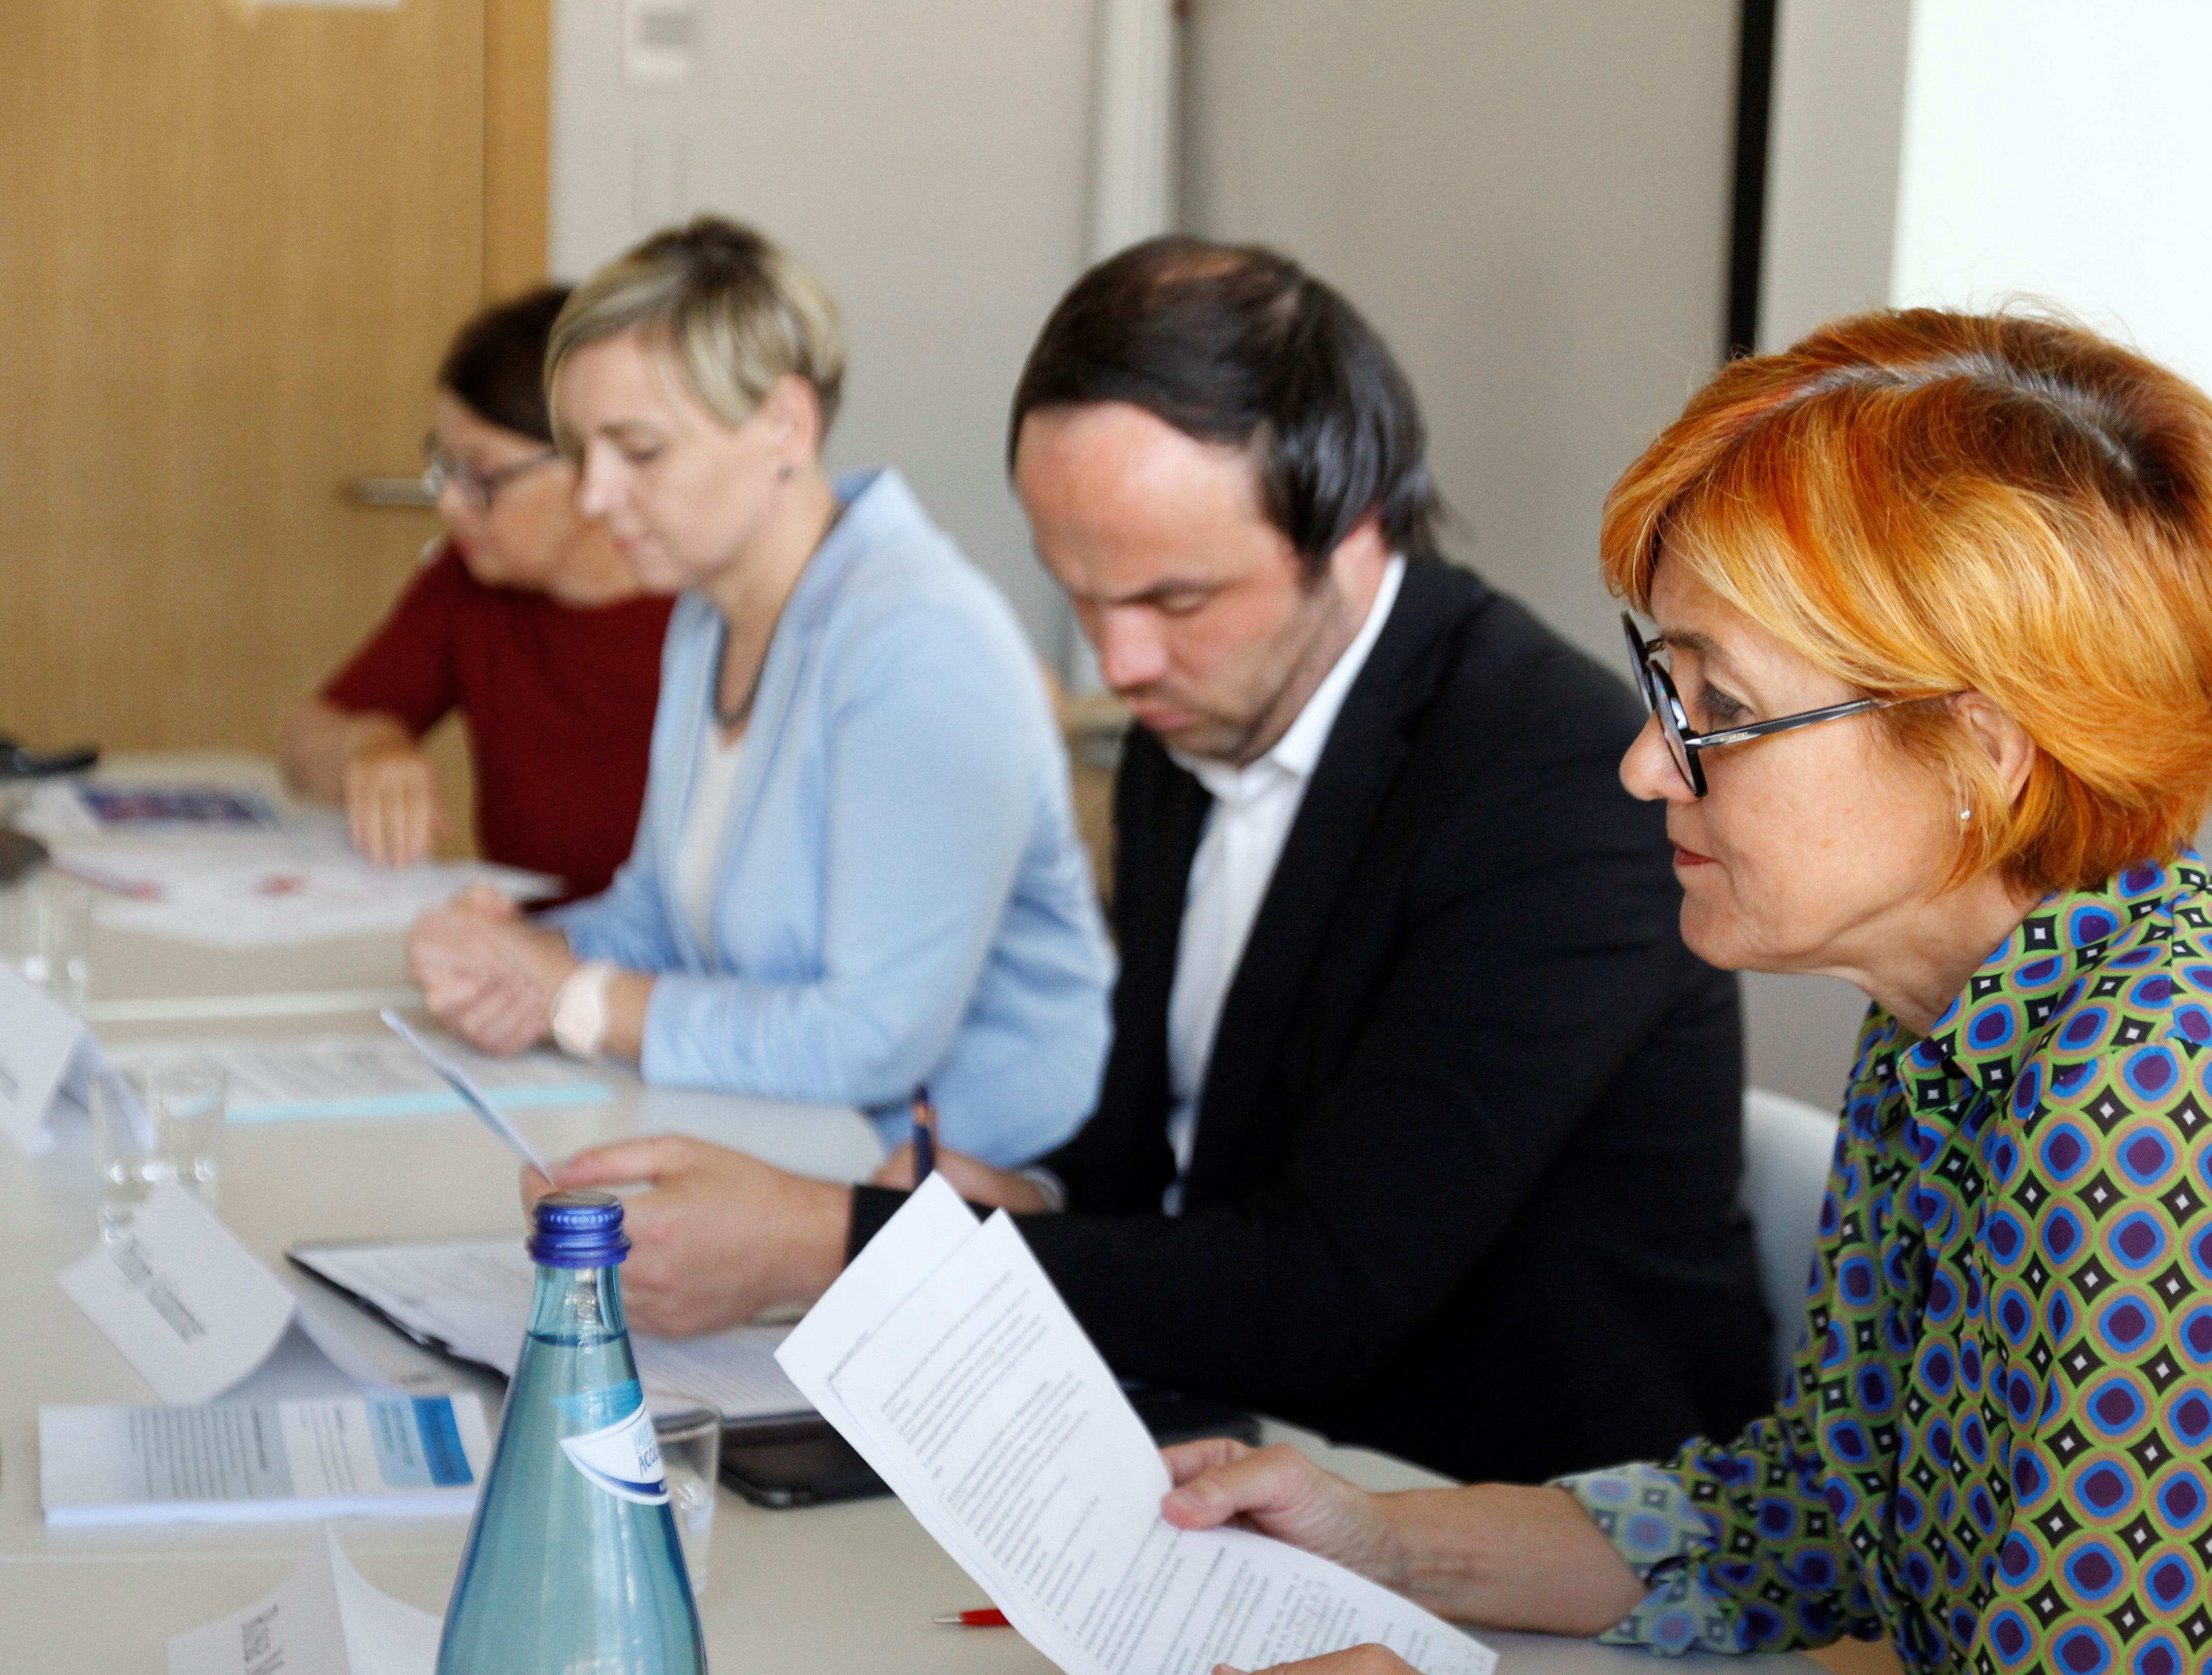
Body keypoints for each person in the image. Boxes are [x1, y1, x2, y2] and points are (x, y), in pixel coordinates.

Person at [1111, 309, 2212, 1675]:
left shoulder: (2167, 1114)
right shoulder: (1954, 1016)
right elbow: (1820, 1510)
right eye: (1664, 680)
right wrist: (1382, 1539)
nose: (1642, 764)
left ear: (1980, 756)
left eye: (1721, 705)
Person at [532, 238, 1772, 1485]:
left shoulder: (1556, 786)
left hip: (1522, 1496)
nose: (1117, 662)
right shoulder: (1194, 726)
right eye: (1078, 594)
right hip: (1248, 1431)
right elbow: (1164, 1163)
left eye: (1174, 600)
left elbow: (1323, 1289)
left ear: (1350, 527)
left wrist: (831, 1238)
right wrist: (1022, 1196)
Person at [405, 216, 1112, 1169]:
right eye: (582, 452)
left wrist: (577, 998)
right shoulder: (708, 614)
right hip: (793, 1138)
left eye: (638, 451)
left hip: (985, 1183)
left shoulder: (917, 641)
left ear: (785, 425)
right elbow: (656, 918)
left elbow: (870, 1040)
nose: (593, 495)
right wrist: (511, 950)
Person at [281, 286, 672, 899]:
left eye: (482, 475)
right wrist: (369, 744)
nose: (449, 503)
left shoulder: (717, 601)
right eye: (446, 467)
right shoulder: (470, 583)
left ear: (598, 463)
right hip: (521, 946)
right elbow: (305, 744)